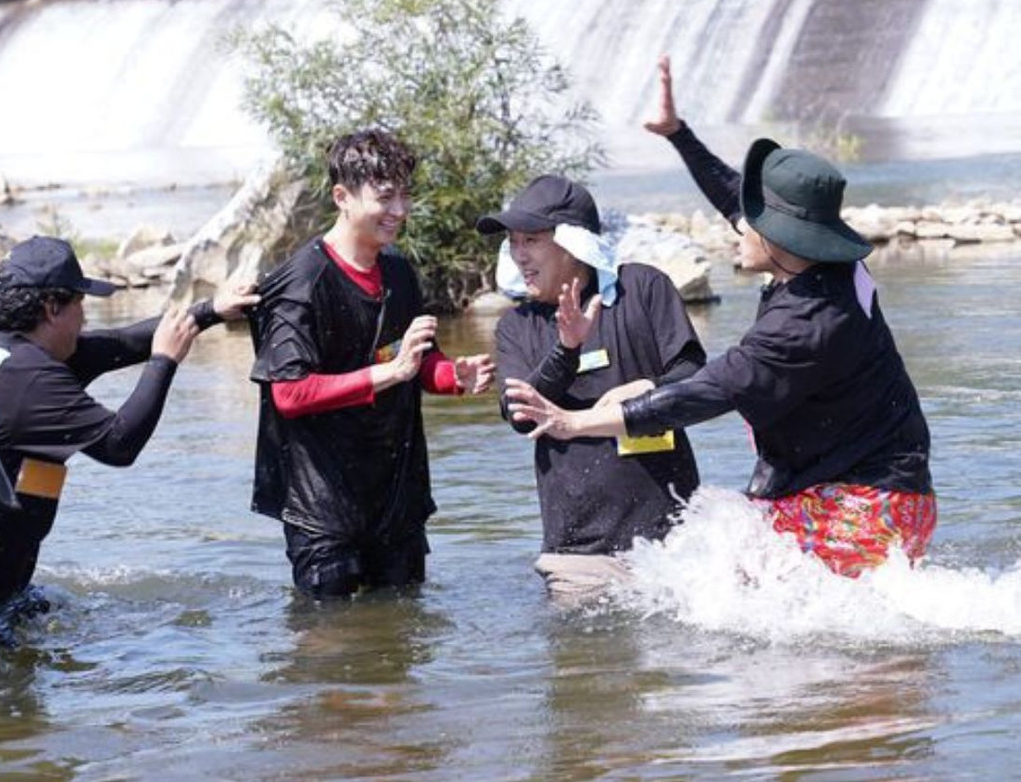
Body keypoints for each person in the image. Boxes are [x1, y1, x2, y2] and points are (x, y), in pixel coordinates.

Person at [505, 57, 935, 577]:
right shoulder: (820, 261)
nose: (736, 225)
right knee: (733, 577)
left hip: (866, 499)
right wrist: (677, 135)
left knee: (772, 608)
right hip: (838, 483)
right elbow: (734, 196)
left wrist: (577, 421)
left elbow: (705, 391)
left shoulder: (806, 322)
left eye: (748, 222)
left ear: (778, 238)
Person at [0, 235, 259, 648]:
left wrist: (211, 311)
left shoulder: (4, 351)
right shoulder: (32, 381)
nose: (84, 316)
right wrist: (164, 362)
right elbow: (118, 445)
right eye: (80, 303)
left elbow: (122, 342)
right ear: (52, 308)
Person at [249, 128, 496, 599]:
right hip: (321, 505)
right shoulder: (302, 282)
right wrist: (392, 372)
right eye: (386, 197)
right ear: (341, 196)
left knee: (401, 642)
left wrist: (451, 377)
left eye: (406, 196)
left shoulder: (399, 271)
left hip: (395, 497)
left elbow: (419, 361)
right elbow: (289, 393)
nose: (400, 211)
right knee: (332, 651)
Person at [478, 175, 705, 599]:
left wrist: (646, 388)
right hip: (578, 555)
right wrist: (566, 348)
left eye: (531, 240)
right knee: (584, 664)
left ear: (573, 243)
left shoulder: (643, 289)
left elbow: (694, 376)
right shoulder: (517, 325)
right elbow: (522, 417)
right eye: (514, 242)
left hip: (676, 544)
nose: (519, 255)